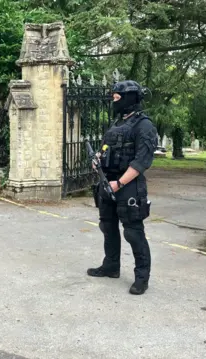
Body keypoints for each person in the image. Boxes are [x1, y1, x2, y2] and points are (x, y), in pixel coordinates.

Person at [87, 80, 158, 295]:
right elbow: (107, 149)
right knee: (107, 226)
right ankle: (111, 266)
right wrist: (98, 158)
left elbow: (141, 161)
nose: (113, 101)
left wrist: (119, 183)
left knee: (133, 232)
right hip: (107, 183)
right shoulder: (117, 124)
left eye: (117, 98)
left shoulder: (144, 125)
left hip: (128, 185)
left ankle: (141, 278)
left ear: (129, 98)